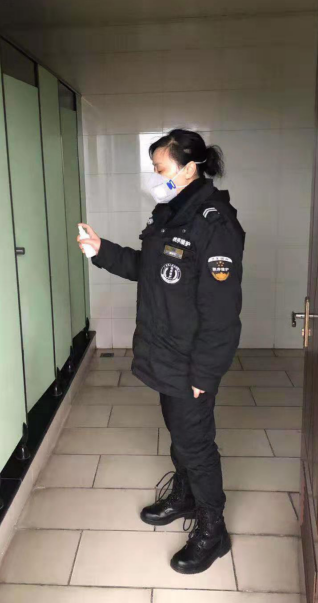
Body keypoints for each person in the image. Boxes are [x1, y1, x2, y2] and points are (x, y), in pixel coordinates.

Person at [77, 129, 245, 575]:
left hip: (190, 361)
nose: (155, 176)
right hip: (164, 351)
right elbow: (149, 268)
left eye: (160, 167)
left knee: (196, 442)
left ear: (189, 168)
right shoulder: (169, 213)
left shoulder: (214, 224)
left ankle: (213, 530)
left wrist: (205, 374)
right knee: (178, 432)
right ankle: (185, 496)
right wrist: (101, 250)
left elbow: (222, 314)